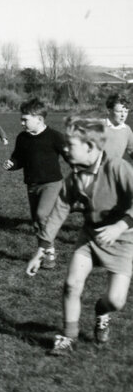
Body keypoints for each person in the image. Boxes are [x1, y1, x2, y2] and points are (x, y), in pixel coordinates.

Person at [27, 116, 133, 356]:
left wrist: (119, 226)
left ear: (90, 148)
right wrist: (41, 249)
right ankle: (68, 338)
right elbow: (58, 212)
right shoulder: (74, 178)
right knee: (71, 285)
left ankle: (101, 311)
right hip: (90, 237)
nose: (65, 149)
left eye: (70, 145)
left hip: (124, 240)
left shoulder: (118, 168)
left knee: (116, 301)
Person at [3, 98, 68, 268]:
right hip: (32, 185)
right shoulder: (22, 138)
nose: (21, 122)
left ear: (39, 119)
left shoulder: (55, 137)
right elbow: (19, 158)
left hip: (52, 184)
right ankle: (49, 251)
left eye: (25, 119)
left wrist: (80, 169)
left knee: (42, 215)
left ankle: (48, 251)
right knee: (36, 221)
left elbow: (70, 156)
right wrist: (12, 164)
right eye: (21, 118)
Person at [103, 93, 133, 164]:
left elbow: (131, 150)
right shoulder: (99, 127)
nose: (123, 115)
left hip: (115, 171)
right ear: (109, 111)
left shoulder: (126, 130)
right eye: (119, 111)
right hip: (99, 172)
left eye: (126, 112)